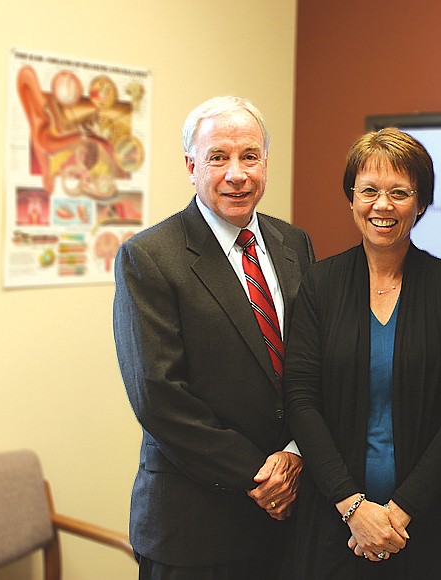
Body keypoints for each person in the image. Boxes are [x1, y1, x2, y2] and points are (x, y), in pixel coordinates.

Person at [113, 95, 315, 579]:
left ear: (265, 161)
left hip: (292, 521)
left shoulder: (294, 244)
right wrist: (260, 476)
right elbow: (159, 396)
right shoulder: (150, 258)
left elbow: (314, 361)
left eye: (249, 156)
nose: (236, 173)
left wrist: (294, 455)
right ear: (191, 166)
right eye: (218, 158)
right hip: (195, 529)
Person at [282, 128, 441, 579]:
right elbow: (300, 399)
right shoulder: (319, 286)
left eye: (399, 192)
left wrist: (400, 511)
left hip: (432, 521)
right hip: (336, 522)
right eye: (369, 191)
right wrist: (354, 508)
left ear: (421, 202)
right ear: (351, 198)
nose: (382, 205)